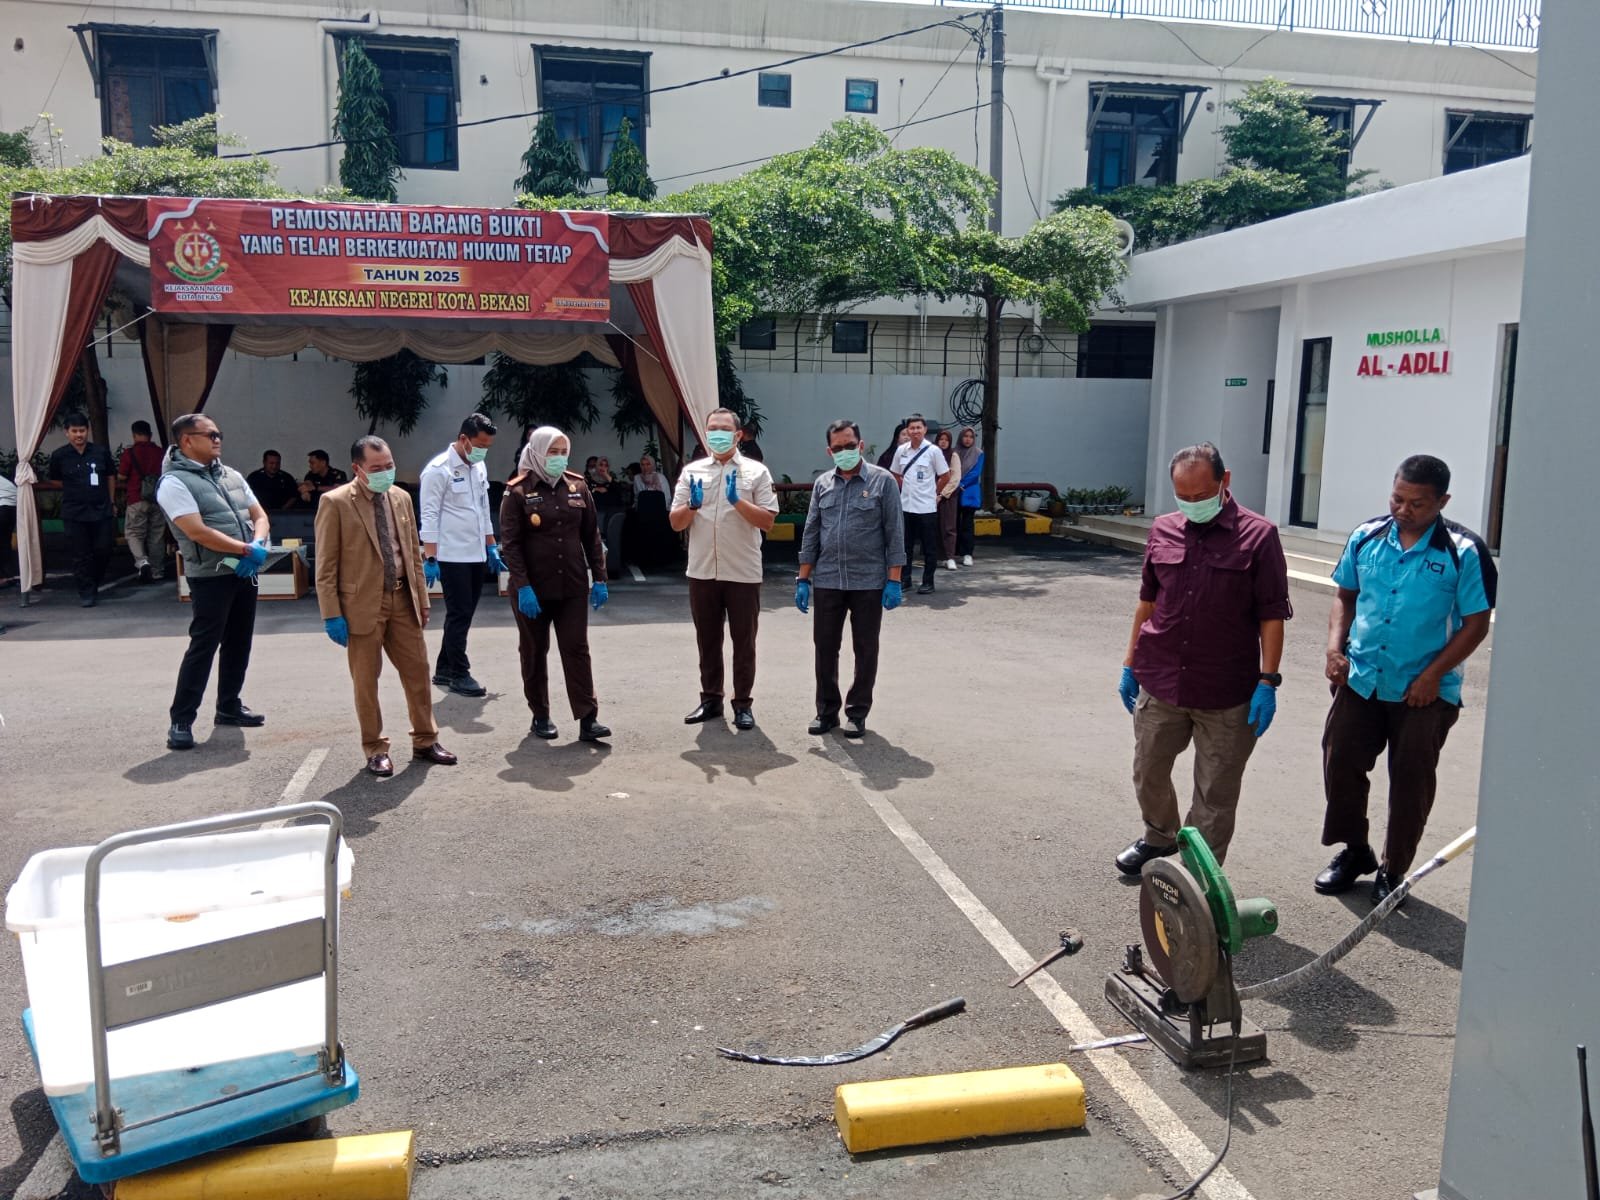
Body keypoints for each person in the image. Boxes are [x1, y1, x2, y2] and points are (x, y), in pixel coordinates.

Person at [1315, 454, 1495, 906]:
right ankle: (1355, 851)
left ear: (1442, 501)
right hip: (1362, 679)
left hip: (1425, 692)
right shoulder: (1366, 536)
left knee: (1411, 780)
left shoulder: (1463, 551)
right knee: (1341, 761)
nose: (1403, 510)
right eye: (1397, 498)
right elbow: (1345, 596)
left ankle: (1393, 869)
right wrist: (1335, 649)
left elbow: (1476, 623)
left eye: (1417, 503)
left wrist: (1433, 675)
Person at [1116, 442, 1291, 872]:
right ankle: (1159, 837)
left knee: (1216, 792)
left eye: (1201, 495)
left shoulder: (1259, 535)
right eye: (1183, 496)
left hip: (1226, 690)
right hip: (1162, 679)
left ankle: (1199, 874)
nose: (1193, 504)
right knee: (1148, 770)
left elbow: (1271, 615)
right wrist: (1129, 663)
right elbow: (1147, 602)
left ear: (1224, 480)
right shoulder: (1162, 530)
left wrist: (1268, 680)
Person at [315, 436, 457, 777]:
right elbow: (326, 565)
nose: (385, 473)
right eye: (376, 468)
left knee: (418, 673)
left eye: (389, 465)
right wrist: (332, 613)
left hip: (402, 598)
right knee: (366, 682)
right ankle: (375, 748)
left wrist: (422, 600)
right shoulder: (335, 502)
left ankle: (425, 740)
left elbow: (412, 553)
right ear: (358, 468)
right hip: (361, 605)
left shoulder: (400, 497)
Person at [155, 413, 271, 751]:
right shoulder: (174, 482)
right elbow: (197, 531)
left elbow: (259, 514)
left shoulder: (230, 474)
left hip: (244, 570)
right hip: (210, 575)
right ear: (187, 441)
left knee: (239, 641)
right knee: (204, 645)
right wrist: (245, 549)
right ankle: (181, 719)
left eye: (219, 433)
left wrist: (258, 544)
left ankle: (229, 706)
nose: (218, 439)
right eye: (210, 435)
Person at [500, 426, 612, 742]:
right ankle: (540, 715)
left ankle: (588, 718)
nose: (559, 458)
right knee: (534, 652)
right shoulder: (517, 492)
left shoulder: (578, 487)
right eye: (553, 452)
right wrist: (522, 586)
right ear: (537, 452)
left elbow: (591, 535)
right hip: (532, 589)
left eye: (563, 452)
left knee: (577, 648)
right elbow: (511, 544)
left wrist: (600, 578)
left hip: (572, 584)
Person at [796, 419, 905, 737]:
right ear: (830, 451)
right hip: (828, 580)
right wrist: (803, 579)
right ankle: (826, 711)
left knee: (866, 649)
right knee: (825, 648)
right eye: (838, 447)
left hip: (868, 582)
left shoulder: (883, 482)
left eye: (850, 445)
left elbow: (895, 533)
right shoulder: (823, 484)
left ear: (861, 445)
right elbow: (811, 532)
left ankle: (857, 712)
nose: (845, 451)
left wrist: (894, 580)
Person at [670, 408, 778, 730]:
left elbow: (768, 521)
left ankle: (742, 703)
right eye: (712, 429)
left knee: (744, 642)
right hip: (702, 571)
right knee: (707, 640)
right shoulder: (692, 472)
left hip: (742, 571)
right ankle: (711, 700)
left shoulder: (756, 472)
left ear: (738, 435)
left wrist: (737, 501)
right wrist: (692, 506)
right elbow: (676, 523)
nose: (717, 434)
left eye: (723, 429)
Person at [418, 413, 505, 698]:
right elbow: (429, 515)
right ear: (463, 439)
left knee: (465, 613)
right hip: (451, 554)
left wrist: (491, 545)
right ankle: (459, 673)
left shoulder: (478, 466)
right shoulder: (438, 470)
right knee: (459, 614)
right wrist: (431, 557)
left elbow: (483, 509)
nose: (483, 451)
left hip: (475, 553)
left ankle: (444, 668)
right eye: (479, 445)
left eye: (488, 447)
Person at [46, 412, 117, 606]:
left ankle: (95, 581)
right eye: (75, 431)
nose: (79, 435)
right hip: (74, 512)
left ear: (88, 431)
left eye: (82, 430)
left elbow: (110, 476)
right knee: (80, 553)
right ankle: (86, 592)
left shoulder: (100, 452)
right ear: (67, 432)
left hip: (101, 509)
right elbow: (55, 480)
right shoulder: (59, 455)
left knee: (103, 549)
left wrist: (111, 501)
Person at [890, 414, 949, 595]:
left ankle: (928, 582)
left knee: (929, 547)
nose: (915, 431)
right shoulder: (902, 450)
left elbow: (945, 476)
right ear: (907, 430)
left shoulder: (933, 451)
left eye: (918, 427)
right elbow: (895, 474)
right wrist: (905, 489)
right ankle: (905, 579)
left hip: (926, 508)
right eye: (912, 428)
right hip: (906, 506)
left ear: (924, 430)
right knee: (905, 546)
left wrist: (934, 493)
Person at [118, 420, 167, 583]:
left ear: (134, 435)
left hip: (136, 498)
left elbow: (122, 476)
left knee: (134, 533)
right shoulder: (160, 453)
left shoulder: (129, 453)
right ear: (150, 435)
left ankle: (142, 562)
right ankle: (157, 571)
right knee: (157, 535)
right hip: (157, 499)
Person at [588, 455, 629, 574]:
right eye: (600, 465)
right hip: (594, 513)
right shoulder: (589, 480)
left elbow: (617, 496)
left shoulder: (611, 481)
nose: (602, 468)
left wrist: (607, 477)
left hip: (609, 515)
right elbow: (588, 496)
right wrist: (597, 491)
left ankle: (612, 565)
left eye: (605, 466)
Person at [955, 426, 983, 567]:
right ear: (961, 437)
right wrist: (955, 483)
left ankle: (967, 554)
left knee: (967, 524)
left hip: (969, 491)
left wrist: (961, 483)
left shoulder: (978, 453)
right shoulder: (954, 452)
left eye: (971, 437)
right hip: (954, 491)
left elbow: (975, 473)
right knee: (953, 523)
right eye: (965, 436)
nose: (968, 439)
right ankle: (953, 552)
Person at [934, 427, 961, 571]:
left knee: (948, 527)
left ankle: (950, 557)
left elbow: (955, 478)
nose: (943, 442)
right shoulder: (932, 454)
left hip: (948, 496)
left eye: (946, 440)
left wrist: (942, 494)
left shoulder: (953, 455)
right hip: (932, 495)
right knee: (935, 527)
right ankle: (938, 556)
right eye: (941, 439)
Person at [0, 471, 16, 589]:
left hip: (3, 505)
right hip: (11, 506)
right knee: (4, 542)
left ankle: (3, 577)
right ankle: (7, 576)